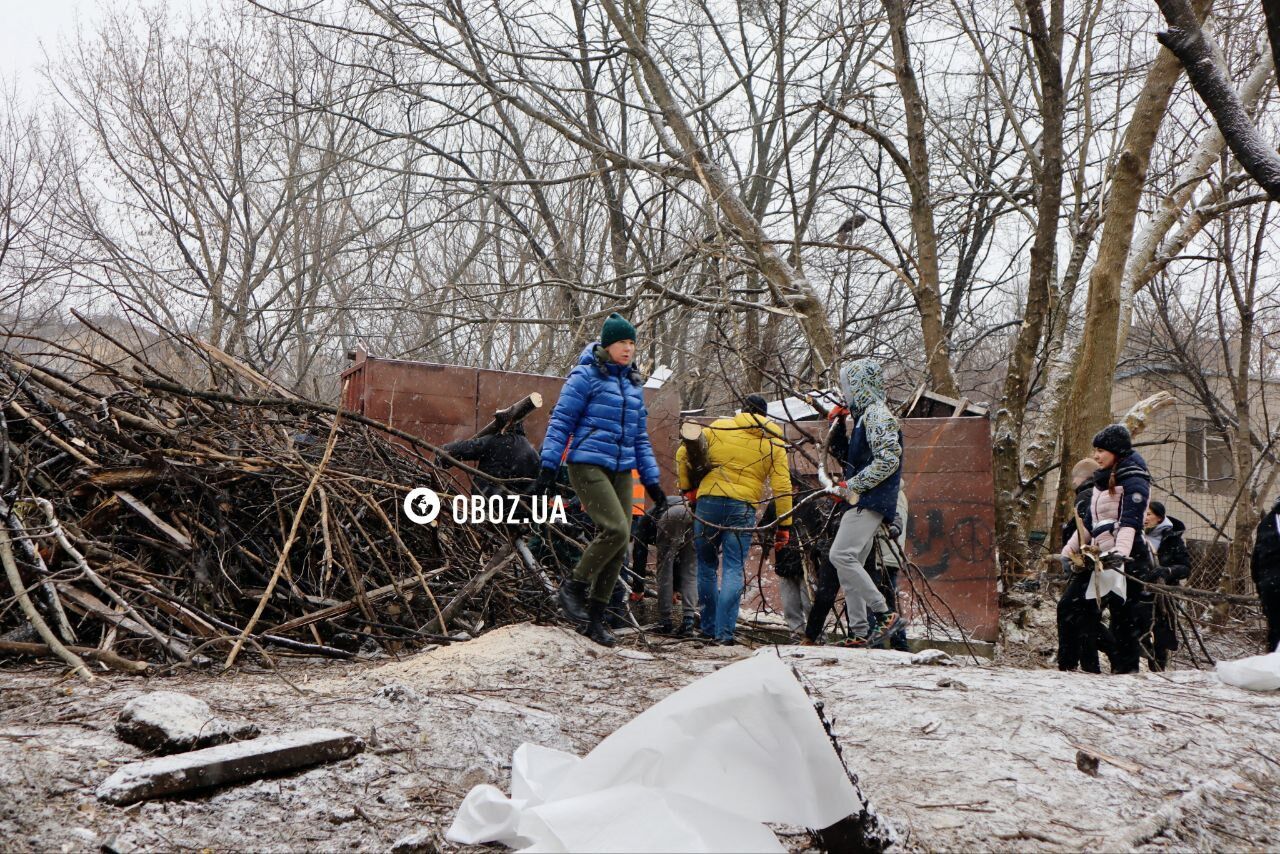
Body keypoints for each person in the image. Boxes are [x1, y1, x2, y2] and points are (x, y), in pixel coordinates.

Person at [534, 313, 666, 647]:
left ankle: (596, 618)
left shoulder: (633, 386)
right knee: (616, 529)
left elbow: (640, 438)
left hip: (622, 469)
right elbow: (561, 421)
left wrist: (652, 483)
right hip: (587, 464)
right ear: (608, 344)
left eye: (633, 343)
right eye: (623, 342)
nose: (628, 349)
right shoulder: (585, 376)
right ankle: (573, 588)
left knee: (622, 543)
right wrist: (548, 466)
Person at [677, 394, 792, 645]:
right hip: (742, 508)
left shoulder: (718, 427)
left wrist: (688, 489)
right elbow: (782, 485)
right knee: (731, 568)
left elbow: (682, 454)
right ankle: (724, 634)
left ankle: (708, 627)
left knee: (706, 566)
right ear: (765, 415)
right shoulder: (773, 440)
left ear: (741, 411)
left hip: (708, 503)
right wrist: (784, 524)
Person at [820, 359, 902, 647]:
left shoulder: (878, 415)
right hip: (864, 499)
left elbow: (888, 460)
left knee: (841, 556)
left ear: (861, 384)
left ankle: (884, 614)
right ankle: (859, 631)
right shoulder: (866, 417)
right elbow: (852, 460)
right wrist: (839, 425)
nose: (846, 392)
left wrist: (850, 487)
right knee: (850, 562)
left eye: (849, 385)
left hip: (869, 499)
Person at [1062, 424, 1153, 673]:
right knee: (1073, 606)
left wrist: (1120, 554)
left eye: (1101, 450)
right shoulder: (1101, 482)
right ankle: (1072, 666)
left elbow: (1130, 522)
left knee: (1125, 619)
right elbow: (1090, 525)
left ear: (1115, 451)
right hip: (1102, 558)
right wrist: (1068, 551)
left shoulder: (1135, 480)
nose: (1096, 455)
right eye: (1095, 450)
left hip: (1128, 556)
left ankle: (1126, 673)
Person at [1056, 458, 1111, 673]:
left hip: (1091, 564)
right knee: (1088, 617)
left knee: (1069, 608)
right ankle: (1090, 665)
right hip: (1101, 563)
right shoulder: (1098, 494)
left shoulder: (1086, 496)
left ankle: (1068, 663)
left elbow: (1083, 530)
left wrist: (1071, 554)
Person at [1144, 500, 1191, 670]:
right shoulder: (1134, 534)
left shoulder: (1172, 539)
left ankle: (1157, 671)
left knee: (1160, 637)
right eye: (1142, 513)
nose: (1144, 517)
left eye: (1148, 514)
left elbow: (1185, 568)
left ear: (1159, 518)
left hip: (1163, 596)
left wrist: (1167, 571)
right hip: (1137, 591)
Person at [439, 421, 541, 498]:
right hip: (513, 508)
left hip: (487, 498)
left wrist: (444, 449)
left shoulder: (496, 441)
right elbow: (535, 486)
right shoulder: (531, 452)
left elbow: (468, 447)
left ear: (506, 424)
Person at [868, 489, 910, 651]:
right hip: (889, 557)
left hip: (882, 557)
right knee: (887, 601)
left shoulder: (889, 494)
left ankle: (878, 642)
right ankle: (899, 643)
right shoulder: (898, 494)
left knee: (877, 602)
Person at [653, 494, 697, 636]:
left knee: (664, 567)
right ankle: (688, 621)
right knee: (690, 568)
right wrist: (675, 589)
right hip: (695, 514)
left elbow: (639, 554)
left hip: (673, 514)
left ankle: (665, 621)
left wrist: (638, 588)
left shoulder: (645, 520)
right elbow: (679, 561)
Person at [1251, 498, 1280, 653]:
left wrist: (1261, 586)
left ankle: (1273, 662)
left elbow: (1256, 560)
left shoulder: (1266, 523)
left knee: (1275, 628)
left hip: (1269, 583)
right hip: (1272, 582)